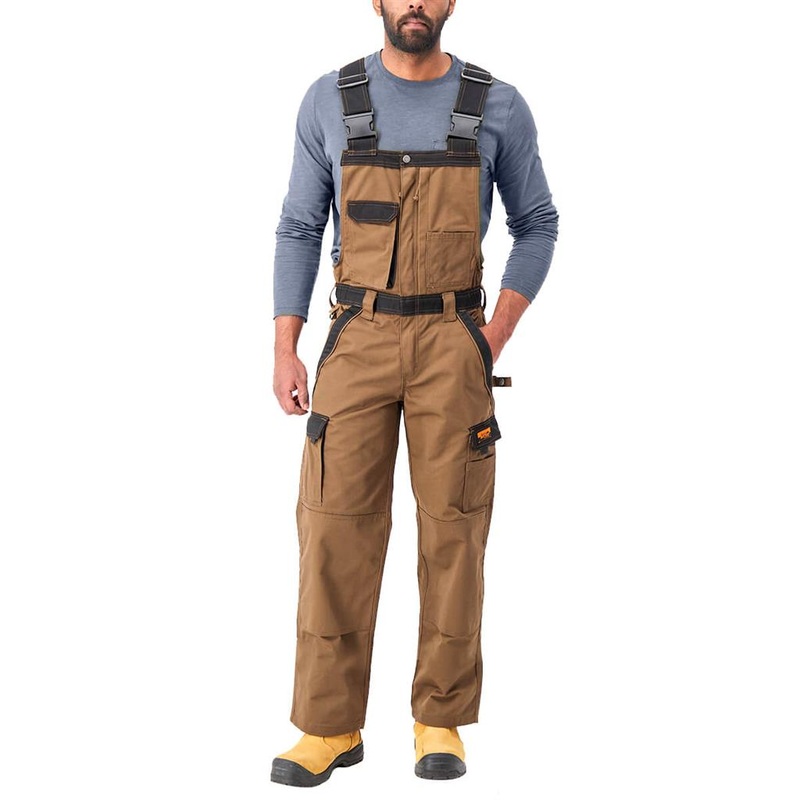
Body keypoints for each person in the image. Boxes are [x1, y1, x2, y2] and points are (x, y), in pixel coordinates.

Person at [270, 0, 558, 787]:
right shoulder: (330, 99)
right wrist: (285, 346)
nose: (415, 4)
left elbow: (537, 222)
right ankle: (328, 726)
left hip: (452, 342)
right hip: (354, 338)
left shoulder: (497, 105)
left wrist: (492, 335)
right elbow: (299, 224)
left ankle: (440, 718)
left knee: (454, 534)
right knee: (334, 531)